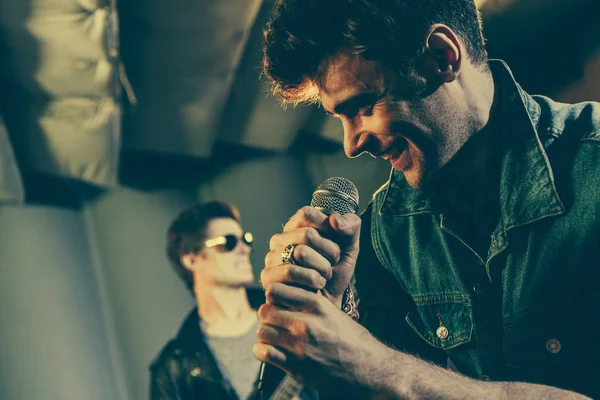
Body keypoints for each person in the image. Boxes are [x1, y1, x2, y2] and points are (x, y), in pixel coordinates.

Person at [253, 0, 600, 399]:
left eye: (363, 106)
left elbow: (385, 372)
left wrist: (383, 370)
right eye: (339, 118)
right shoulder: (388, 227)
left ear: (441, 57)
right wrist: (335, 317)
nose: (351, 144)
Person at [149, 201, 264, 399]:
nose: (244, 249)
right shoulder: (173, 366)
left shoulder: (289, 311)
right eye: (229, 242)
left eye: (245, 240)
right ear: (192, 259)